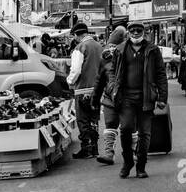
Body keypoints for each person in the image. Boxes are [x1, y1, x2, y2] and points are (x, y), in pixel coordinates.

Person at [110, 22, 168, 178]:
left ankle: (141, 166)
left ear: (144, 32)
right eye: (132, 31)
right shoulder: (120, 49)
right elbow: (112, 72)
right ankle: (127, 161)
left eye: (139, 30)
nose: (135, 33)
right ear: (128, 32)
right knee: (126, 128)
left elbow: (161, 74)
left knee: (145, 133)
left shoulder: (153, 50)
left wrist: (162, 97)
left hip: (146, 97)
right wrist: (112, 88)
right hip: (126, 97)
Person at [91, 26, 127, 165]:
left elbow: (99, 81)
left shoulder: (129, 55)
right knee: (113, 125)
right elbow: (100, 81)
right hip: (111, 98)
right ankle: (109, 154)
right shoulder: (106, 59)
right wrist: (94, 99)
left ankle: (132, 152)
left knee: (127, 126)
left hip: (123, 97)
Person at [67, 23, 103, 159]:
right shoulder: (99, 46)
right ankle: (94, 148)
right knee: (94, 119)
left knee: (83, 119)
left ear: (77, 34)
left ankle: (86, 148)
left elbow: (76, 70)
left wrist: (69, 81)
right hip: (97, 89)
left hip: (82, 89)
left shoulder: (80, 47)